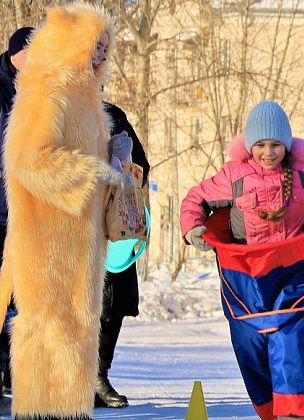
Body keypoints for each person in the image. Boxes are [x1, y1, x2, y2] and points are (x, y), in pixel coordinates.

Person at [181, 100, 304, 420]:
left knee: (292, 337)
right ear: (249, 146)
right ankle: (273, 406)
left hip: (296, 271)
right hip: (250, 276)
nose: (268, 152)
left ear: (286, 145)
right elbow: (196, 197)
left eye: (276, 144)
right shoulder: (234, 175)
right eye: (260, 145)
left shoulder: (303, 171)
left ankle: (297, 407)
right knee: (253, 341)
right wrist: (192, 226)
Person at [0, 4, 127, 418]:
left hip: (81, 245)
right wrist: (94, 172)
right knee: (47, 334)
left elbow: (89, 161)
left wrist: (117, 162)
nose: (100, 56)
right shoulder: (46, 91)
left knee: (77, 333)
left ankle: (70, 411)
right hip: (46, 243)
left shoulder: (89, 102)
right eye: (94, 46)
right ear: (69, 44)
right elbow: (28, 160)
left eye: (105, 49)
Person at [95, 101, 151, 409]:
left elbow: (141, 168)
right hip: (72, 225)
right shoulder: (60, 106)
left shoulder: (112, 115)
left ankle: (98, 375)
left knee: (112, 301)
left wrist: (124, 158)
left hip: (112, 225)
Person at [0, 25, 32, 394]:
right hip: (2, 205)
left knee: (20, 297)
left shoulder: (33, 89)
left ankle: (13, 371)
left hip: (22, 210)